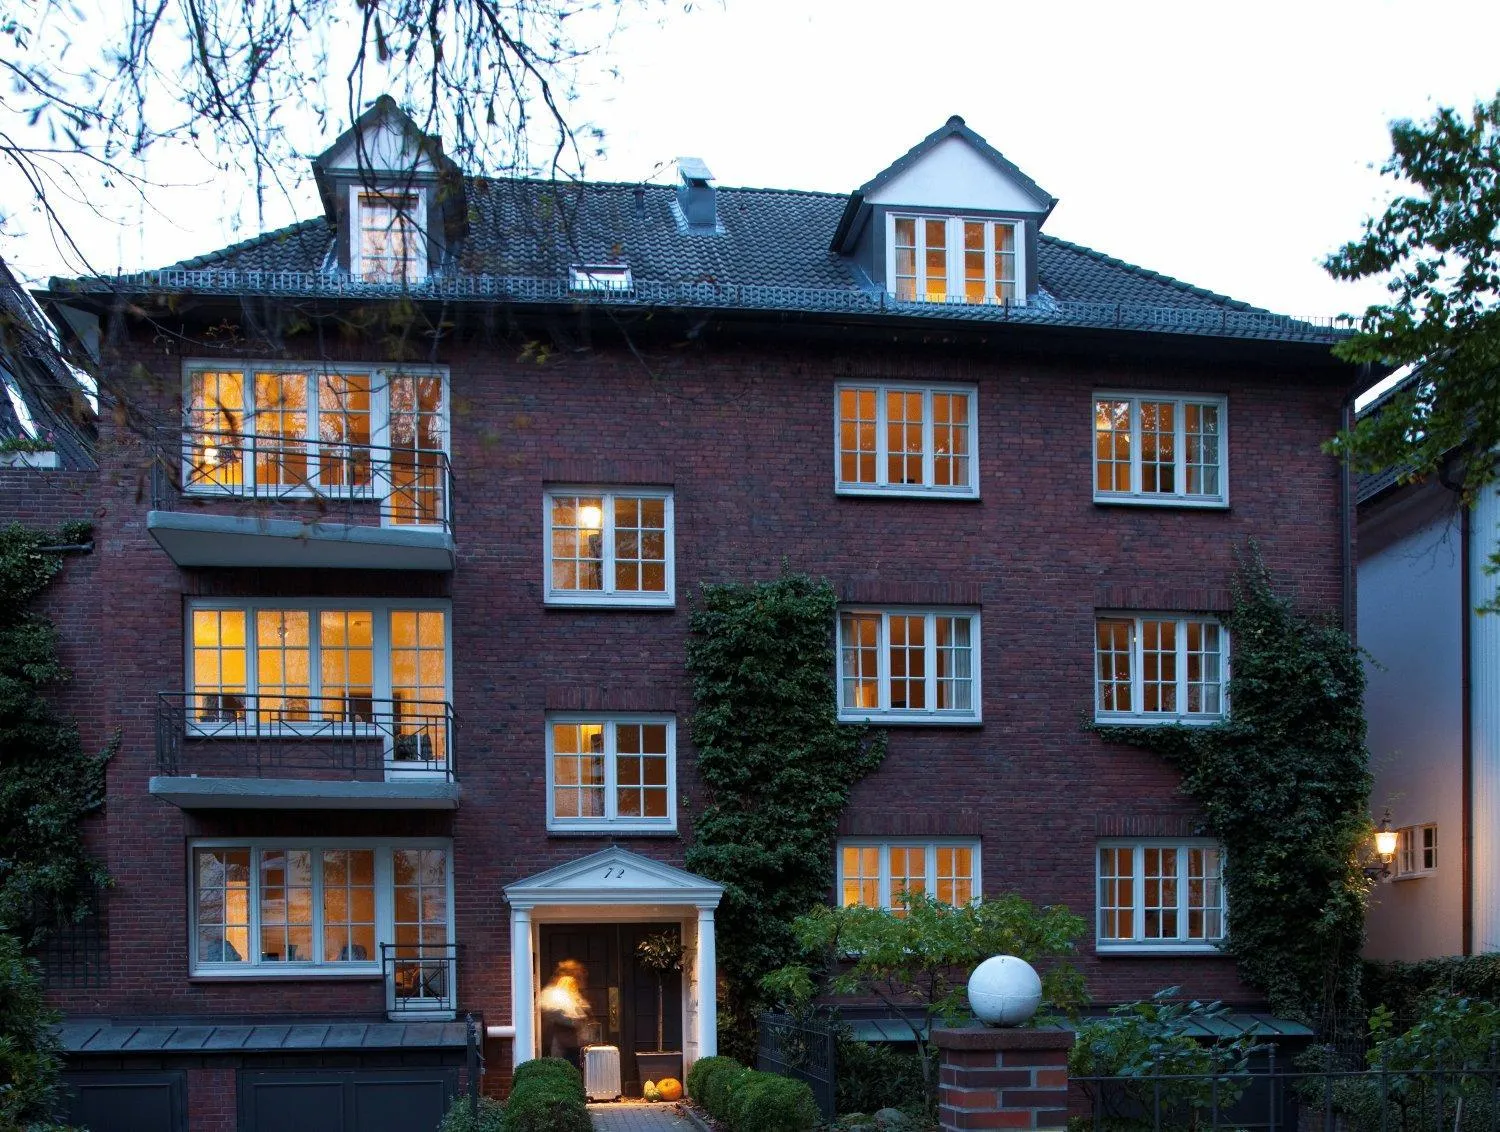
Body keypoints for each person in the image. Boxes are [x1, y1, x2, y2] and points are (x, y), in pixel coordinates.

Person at [538, 959, 590, 1068]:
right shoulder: (554, 994)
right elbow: (554, 1014)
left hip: (574, 1047)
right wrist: (575, 1020)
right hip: (563, 1047)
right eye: (577, 975)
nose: (580, 979)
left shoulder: (572, 994)